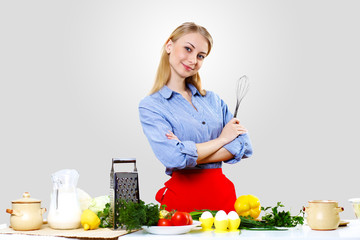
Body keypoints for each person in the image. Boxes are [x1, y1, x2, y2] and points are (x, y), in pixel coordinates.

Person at [138, 22, 252, 213]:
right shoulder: (151, 106)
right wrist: (223, 139)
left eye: (200, 56)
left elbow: (244, 145)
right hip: (181, 205)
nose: (193, 60)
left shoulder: (213, 100)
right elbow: (174, 158)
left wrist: (188, 152)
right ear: (169, 46)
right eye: (188, 49)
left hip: (223, 200)